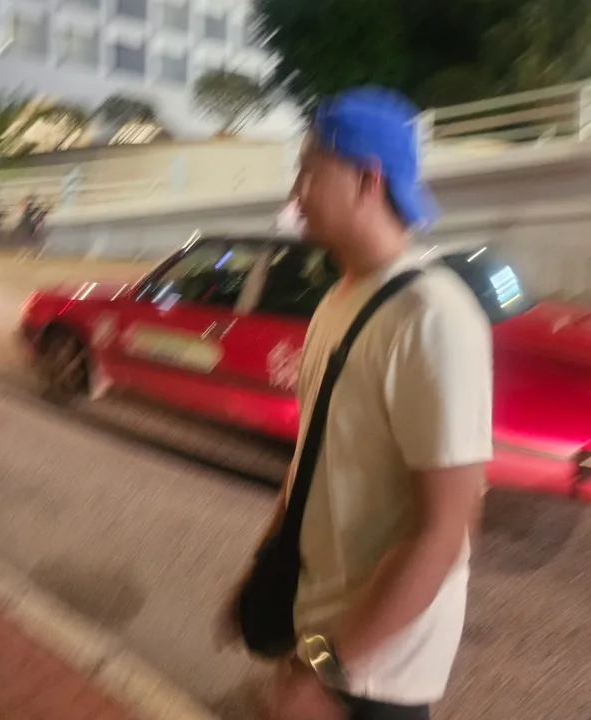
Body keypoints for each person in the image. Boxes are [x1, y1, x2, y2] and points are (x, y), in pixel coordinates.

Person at [219, 87, 493, 720]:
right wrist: (262, 570)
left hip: (377, 675)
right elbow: (313, 465)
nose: (295, 194)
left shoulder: (434, 318)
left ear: (367, 181)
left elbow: (445, 532)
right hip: (322, 637)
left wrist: (323, 670)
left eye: (309, 172)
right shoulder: (338, 302)